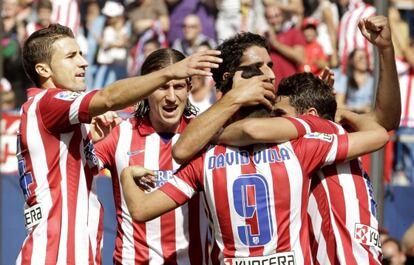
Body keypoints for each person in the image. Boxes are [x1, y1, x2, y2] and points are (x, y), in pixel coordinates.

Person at [119, 32, 388, 264]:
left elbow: (143, 207)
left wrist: (126, 176)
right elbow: (378, 135)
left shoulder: (208, 153)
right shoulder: (299, 143)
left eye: (270, 65)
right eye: (258, 67)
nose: (271, 75)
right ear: (231, 79)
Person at [15, 23, 222, 265]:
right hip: (58, 255)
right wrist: (170, 71)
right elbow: (108, 98)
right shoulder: (48, 104)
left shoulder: (64, 123)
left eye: (81, 53)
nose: (83, 62)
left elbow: (83, 170)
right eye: (71, 56)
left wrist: (91, 142)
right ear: (43, 69)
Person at [93, 47, 274, 264]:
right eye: (162, 87)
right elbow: (77, 170)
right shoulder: (119, 133)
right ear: (146, 90)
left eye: (178, 86)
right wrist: (90, 140)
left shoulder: (208, 132)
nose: (171, 97)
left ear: (189, 87)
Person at [264, 3, 306, 87]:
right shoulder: (264, 36)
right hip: (271, 89)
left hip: (290, 87)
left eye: (277, 16)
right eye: (270, 17)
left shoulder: (294, 33)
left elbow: (300, 58)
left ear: (283, 16)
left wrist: (275, 43)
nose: (274, 20)